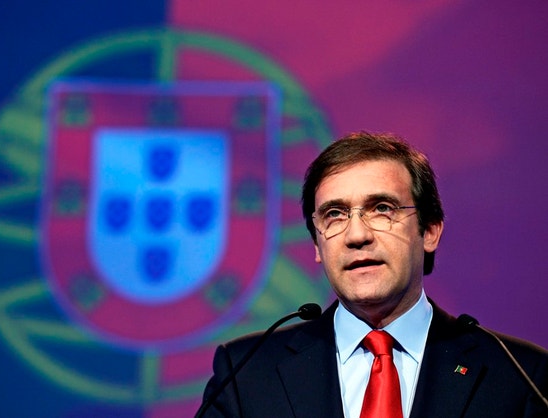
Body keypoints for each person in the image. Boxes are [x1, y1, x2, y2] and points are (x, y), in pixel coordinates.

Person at [197, 131, 548, 417]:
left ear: (429, 231)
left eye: (382, 209)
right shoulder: (245, 374)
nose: (357, 235)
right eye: (334, 215)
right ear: (317, 245)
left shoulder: (520, 376)